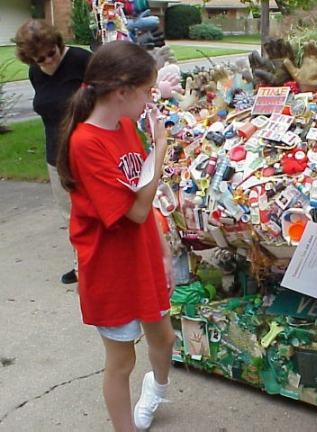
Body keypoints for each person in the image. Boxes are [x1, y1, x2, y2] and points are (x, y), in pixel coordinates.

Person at [56, 40, 175, 432]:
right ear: (122, 91)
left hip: (141, 252)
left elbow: (142, 200)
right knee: (122, 360)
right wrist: (160, 149)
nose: (150, 100)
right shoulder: (86, 143)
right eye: (147, 91)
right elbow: (136, 208)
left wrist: (162, 250)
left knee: (165, 338)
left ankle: (156, 390)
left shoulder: (124, 126)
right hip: (110, 267)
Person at [15, 19, 92, 284]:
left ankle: (103, 263)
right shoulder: (35, 73)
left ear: (58, 44)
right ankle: (82, 263)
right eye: (41, 59)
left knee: (97, 210)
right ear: (30, 59)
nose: (49, 60)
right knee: (70, 214)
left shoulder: (81, 60)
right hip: (56, 155)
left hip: (87, 152)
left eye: (52, 53)